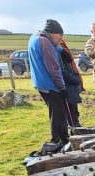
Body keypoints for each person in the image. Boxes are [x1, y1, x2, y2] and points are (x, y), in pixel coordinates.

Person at [28, 19, 69, 147]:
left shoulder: (37, 37)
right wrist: (62, 88)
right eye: (60, 35)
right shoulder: (45, 42)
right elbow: (53, 68)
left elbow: (54, 45)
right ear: (52, 33)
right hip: (50, 85)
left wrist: (61, 50)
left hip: (41, 83)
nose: (61, 38)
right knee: (57, 114)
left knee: (59, 112)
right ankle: (56, 142)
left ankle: (64, 138)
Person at [58, 40, 83, 127]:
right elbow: (62, 70)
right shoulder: (55, 51)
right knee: (70, 109)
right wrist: (75, 79)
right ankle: (74, 128)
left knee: (74, 109)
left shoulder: (61, 49)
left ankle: (76, 125)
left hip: (71, 84)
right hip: (66, 84)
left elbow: (69, 58)